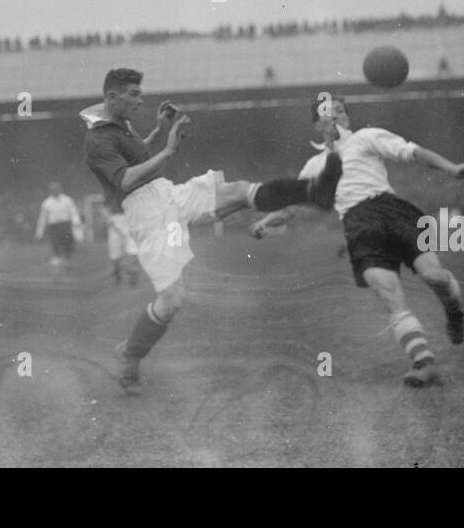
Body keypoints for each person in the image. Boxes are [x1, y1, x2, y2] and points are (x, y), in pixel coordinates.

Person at [82, 68, 342, 395]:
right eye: (133, 94)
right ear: (111, 96)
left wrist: (160, 131)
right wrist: (169, 150)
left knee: (237, 191)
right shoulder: (96, 139)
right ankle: (130, 355)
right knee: (172, 300)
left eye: (139, 93)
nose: (140, 99)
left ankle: (313, 190)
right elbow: (125, 180)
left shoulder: (118, 125)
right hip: (145, 214)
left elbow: (136, 154)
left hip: (165, 194)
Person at [249, 95, 464, 388]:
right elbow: (293, 207)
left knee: (436, 277)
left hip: (392, 210)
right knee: (387, 291)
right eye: (331, 114)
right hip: (358, 225)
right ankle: (424, 362)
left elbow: (413, 152)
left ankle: (453, 308)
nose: (338, 118)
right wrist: (266, 222)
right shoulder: (314, 166)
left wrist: (451, 167)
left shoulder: (366, 138)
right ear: (318, 124)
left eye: (342, 112)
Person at [35, 183, 82, 277]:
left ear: (60, 189)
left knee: (68, 246)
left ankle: (68, 263)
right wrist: (39, 232)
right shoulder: (46, 203)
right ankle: (56, 271)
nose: (55, 191)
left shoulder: (67, 200)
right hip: (54, 227)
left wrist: (76, 222)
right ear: (50, 191)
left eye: (57, 189)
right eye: (53, 189)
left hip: (65, 225)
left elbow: (73, 212)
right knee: (55, 248)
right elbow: (43, 218)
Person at [106, 212, 140, 288]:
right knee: (116, 260)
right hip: (119, 234)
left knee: (130, 261)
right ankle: (117, 279)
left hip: (129, 239)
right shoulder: (114, 218)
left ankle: (132, 281)